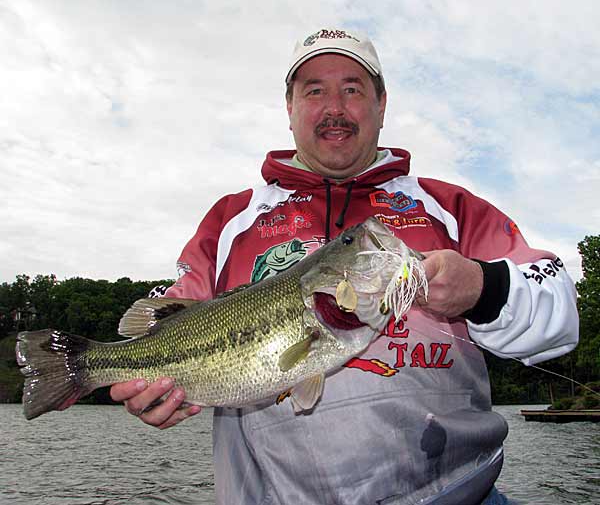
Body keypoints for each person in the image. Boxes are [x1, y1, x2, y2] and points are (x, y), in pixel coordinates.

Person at [111, 28, 579, 505]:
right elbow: (171, 313)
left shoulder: (449, 207)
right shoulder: (232, 220)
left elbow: (559, 311)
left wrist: (483, 287)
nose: (334, 107)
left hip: (460, 494)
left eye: (352, 89)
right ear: (289, 108)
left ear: (381, 105)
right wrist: (153, 385)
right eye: (314, 90)